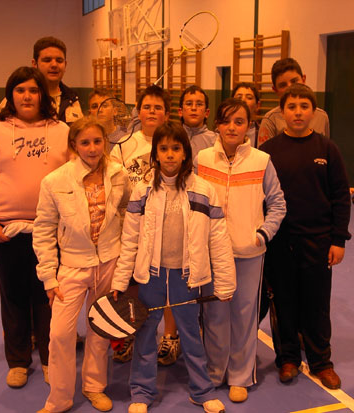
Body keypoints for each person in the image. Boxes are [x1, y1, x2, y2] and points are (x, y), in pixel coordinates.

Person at [111, 121, 236, 413]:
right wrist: (120, 281)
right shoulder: (141, 191)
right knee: (145, 334)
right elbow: (129, 240)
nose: (169, 155)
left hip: (187, 278)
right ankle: (141, 393)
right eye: (163, 149)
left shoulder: (204, 191)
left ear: (185, 154)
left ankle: (202, 391)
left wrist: (225, 282)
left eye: (175, 148)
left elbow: (218, 239)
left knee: (191, 334)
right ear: (155, 154)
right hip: (151, 277)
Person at [0, 66, 70, 388]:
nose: (27, 96)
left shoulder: (61, 130)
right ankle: (18, 361)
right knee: (13, 296)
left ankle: (51, 358)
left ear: (43, 95)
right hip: (5, 232)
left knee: (48, 296)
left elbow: (76, 176)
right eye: (20, 90)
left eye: (34, 90)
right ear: (11, 95)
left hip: (49, 232)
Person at [33, 117, 131, 412]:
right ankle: (59, 398)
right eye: (85, 142)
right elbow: (44, 229)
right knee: (60, 333)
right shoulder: (55, 181)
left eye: (97, 141)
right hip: (73, 266)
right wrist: (49, 277)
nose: (92, 148)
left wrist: (124, 264)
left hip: (110, 261)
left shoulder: (118, 174)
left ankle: (93, 386)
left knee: (100, 330)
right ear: (74, 145)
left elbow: (126, 215)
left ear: (105, 143)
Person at [259, 83, 351, 390]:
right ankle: (287, 358)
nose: (298, 112)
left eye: (304, 106)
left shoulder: (327, 149)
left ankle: (321, 362)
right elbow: (259, 199)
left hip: (318, 243)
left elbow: (340, 197)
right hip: (280, 243)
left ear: (313, 112)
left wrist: (338, 240)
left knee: (316, 304)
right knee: (284, 302)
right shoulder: (268, 152)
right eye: (292, 106)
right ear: (282, 112)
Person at [195, 98, 286, 403]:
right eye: (226, 121)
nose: (232, 127)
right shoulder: (203, 159)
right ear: (216, 124)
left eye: (239, 121)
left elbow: (277, 204)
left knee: (244, 315)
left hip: (249, 253)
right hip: (211, 254)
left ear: (250, 125)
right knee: (214, 314)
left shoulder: (262, 160)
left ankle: (240, 375)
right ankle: (214, 371)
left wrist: (262, 234)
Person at [156, 85, 218, 367]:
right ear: (180, 110)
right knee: (171, 284)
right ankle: (171, 336)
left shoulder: (214, 142)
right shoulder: (171, 136)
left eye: (199, 103)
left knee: (200, 283)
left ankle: (199, 336)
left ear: (206, 111)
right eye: (188, 103)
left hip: (203, 220)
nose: (193, 108)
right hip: (173, 222)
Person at [108, 85, 170, 363]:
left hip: (166, 229)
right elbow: (114, 185)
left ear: (166, 114)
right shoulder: (123, 146)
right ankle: (128, 332)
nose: (152, 111)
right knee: (130, 285)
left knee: (167, 287)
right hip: (131, 229)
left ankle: (170, 337)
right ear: (138, 111)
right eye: (147, 106)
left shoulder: (173, 143)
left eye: (158, 107)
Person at [0, 36, 83, 125]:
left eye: (59, 61)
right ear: (34, 64)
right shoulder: (14, 99)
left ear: (65, 64)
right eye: (47, 60)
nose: (54, 65)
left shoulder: (73, 99)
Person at [257, 58, 330, 144]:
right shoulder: (270, 120)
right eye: (283, 85)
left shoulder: (322, 116)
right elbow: (263, 155)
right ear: (275, 90)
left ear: (303, 79)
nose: (290, 87)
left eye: (294, 81)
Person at [232, 82, 261, 147]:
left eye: (249, 98)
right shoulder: (221, 131)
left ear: (258, 105)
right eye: (239, 97)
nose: (243, 100)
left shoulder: (262, 133)